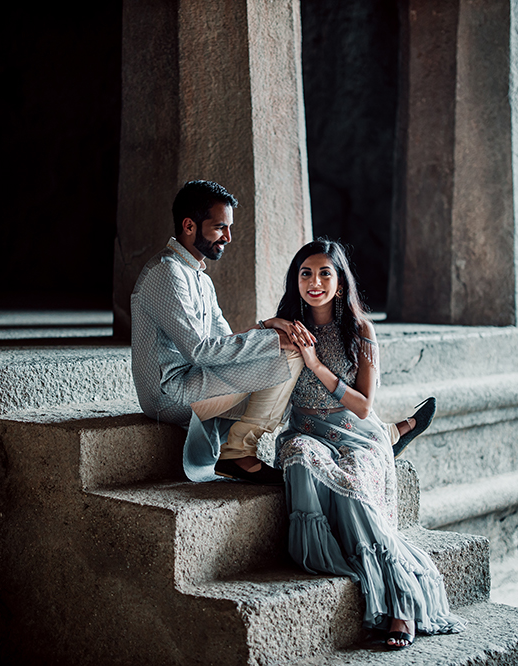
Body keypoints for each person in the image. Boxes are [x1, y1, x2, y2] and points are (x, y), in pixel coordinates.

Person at [273, 239, 465, 650]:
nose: (315, 282)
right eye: (306, 273)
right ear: (296, 281)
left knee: (356, 487)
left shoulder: (360, 330)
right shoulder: (292, 323)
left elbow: (362, 406)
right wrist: (273, 324)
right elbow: (255, 338)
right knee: (301, 459)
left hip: (356, 431)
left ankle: (401, 601)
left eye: (326, 273)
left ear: (340, 284)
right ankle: (399, 432)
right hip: (306, 431)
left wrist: (316, 365)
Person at [131, 180, 312, 484]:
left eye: (228, 228)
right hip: (169, 392)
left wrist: (266, 326)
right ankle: (238, 453)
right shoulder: (166, 272)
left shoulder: (201, 279)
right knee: (289, 358)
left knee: (295, 356)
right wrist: (270, 340)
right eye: (220, 228)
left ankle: (340, 435)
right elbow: (201, 351)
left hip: (196, 378)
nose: (228, 237)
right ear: (189, 226)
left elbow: (225, 345)